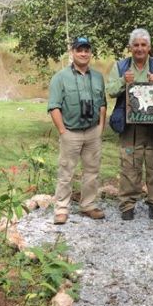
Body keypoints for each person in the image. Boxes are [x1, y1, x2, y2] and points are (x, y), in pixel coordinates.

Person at [47, 37, 107, 225]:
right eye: (79, 50)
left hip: (92, 132)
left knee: (92, 171)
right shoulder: (60, 77)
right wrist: (63, 131)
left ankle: (88, 205)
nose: (83, 53)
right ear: (72, 52)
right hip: (70, 132)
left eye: (86, 50)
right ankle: (62, 208)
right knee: (66, 171)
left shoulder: (97, 77)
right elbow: (54, 106)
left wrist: (101, 127)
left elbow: (103, 104)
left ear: (90, 53)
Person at [106, 28, 153, 220]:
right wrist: (124, 81)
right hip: (130, 126)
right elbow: (111, 90)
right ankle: (127, 204)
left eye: (143, 45)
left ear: (149, 47)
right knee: (129, 165)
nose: (139, 48)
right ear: (130, 47)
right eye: (136, 45)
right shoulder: (120, 67)